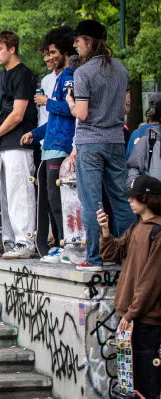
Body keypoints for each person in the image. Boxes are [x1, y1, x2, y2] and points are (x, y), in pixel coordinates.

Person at [66, 19, 135, 272]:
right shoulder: (121, 69)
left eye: (77, 40)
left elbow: (82, 113)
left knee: (92, 201)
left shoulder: (83, 73)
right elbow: (127, 107)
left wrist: (70, 102)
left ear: (89, 41)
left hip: (90, 143)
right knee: (120, 199)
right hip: (116, 139)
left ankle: (93, 258)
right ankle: (130, 254)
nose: (74, 45)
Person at [97, 175, 161, 399]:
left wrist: (132, 313)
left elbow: (152, 280)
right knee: (132, 384)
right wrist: (105, 229)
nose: (130, 201)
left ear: (148, 199)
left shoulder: (158, 232)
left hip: (147, 320)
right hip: (132, 318)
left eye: (135, 197)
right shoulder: (136, 227)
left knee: (148, 385)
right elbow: (111, 252)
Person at [21, 27, 77, 263]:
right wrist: (34, 133)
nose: (47, 58)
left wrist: (47, 102)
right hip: (50, 145)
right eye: (45, 54)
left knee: (58, 199)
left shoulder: (70, 76)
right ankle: (59, 245)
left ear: (65, 52)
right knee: (50, 199)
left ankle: (66, 246)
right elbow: (55, 120)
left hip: (62, 146)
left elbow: (72, 110)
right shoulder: (56, 79)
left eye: (52, 52)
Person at [0, 30, 38, 259]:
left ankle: (25, 241)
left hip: (19, 142)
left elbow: (18, 114)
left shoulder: (23, 74)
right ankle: (7, 239)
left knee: (20, 194)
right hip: (0, 144)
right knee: (3, 195)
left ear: (12, 48)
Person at [128, 101, 161, 184]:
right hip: (153, 194)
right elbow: (133, 167)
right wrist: (136, 187)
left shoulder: (138, 133)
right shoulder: (147, 138)